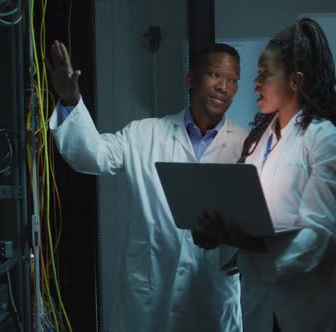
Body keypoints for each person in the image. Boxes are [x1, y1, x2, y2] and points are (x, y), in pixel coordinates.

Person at [46, 40, 247, 331]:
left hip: (211, 300)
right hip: (150, 299)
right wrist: (69, 100)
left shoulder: (246, 145)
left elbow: (258, 219)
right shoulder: (145, 134)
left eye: (233, 80)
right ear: (191, 78)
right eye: (215, 75)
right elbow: (92, 155)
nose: (224, 87)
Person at [192, 18, 336, 331]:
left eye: (265, 73)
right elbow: (247, 218)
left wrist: (247, 240)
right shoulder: (258, 142)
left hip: (311, 307)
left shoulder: (325, 141)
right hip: (261, 304)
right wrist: (221, 235)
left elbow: (320, 235)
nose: (255, 82)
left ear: (295, 82)